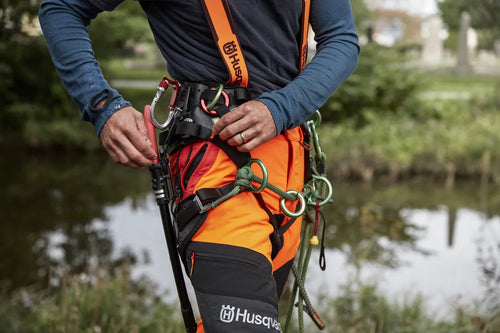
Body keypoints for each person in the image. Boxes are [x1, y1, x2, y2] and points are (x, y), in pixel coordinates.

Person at [39, 0, 359, 332]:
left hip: (292, 177)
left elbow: (341, 39)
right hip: (218, 172)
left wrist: (282, 108)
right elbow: (63, 7)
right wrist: (102, 105)